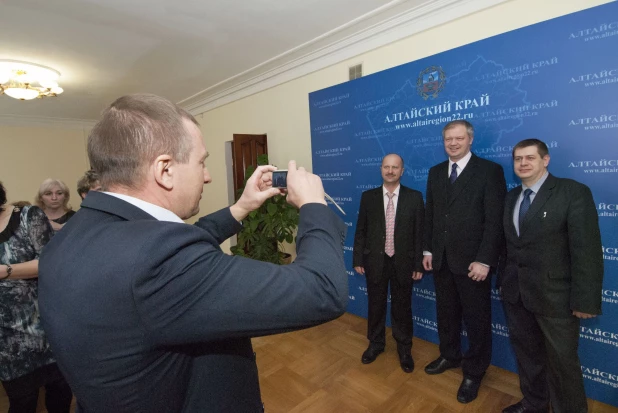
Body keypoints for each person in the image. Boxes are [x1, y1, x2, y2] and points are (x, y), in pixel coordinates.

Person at [38, 93, 348, 413]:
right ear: (165, 170)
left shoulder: (74, 235)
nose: (208, 175)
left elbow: (180, 241)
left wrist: (241, 206)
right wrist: (313, 204)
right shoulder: (158, 261)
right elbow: (322, 289)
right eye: (201, 161)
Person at [498, 139, 603, 413]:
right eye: (518, 158)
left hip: (556, 298)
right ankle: (534, 403)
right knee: (528, 357)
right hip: (517, 294)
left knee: (562, 364)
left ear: (545, 160)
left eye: (530, 158)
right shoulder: (511, 198)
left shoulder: (572, 192)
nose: (523, 163)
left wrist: (585, 300)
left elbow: (587, 250)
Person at [423, 120, 506, 403]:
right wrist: (428, 251)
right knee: (446, 315)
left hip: (474, 266)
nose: (453, 143)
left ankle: (474, 372)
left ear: (470, 140)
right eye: (448, 139)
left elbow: (495, 221)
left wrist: (485, 260)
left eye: (459, 138)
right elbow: (432, 216)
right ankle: (450, 355)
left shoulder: (489, 171)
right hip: (442, 261)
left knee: (477, 321)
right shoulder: (435, 172)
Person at [0, 181, 73, 413]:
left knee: (59, 394)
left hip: (44, 328)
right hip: (5, 339)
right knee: (21, 402)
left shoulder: (27, 216)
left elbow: (50, 263)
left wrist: (5, 271)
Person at [353, 154, 424, 373]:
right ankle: (375, 344)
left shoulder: (415, 197)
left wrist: (418, 264)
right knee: (375, 305)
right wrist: (358, 259)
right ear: (381, 169)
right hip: (375, 260)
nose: (390, 171)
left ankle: (404, 348)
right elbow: (361, 231)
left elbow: (420, 233)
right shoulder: (368, 197)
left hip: (404, 262)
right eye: (386, 167)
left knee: (403, 307)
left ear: (402, 171)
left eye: (395, 167)